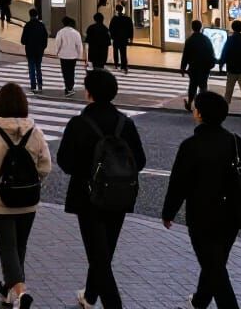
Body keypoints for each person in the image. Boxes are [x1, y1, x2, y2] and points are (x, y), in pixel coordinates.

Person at [56, 70, 146, 309]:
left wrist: (87, 169)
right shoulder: (125, 124)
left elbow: (65, 161)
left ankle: (112, 304)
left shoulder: (79, 124)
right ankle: (90, 296)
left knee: (98, 257)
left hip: (87, 196)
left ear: (89, 93)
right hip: (120, 194)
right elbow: (140, 160)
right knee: (104, 252)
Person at [162, 91, 241, 309]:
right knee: (215, 262)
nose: (194, 110)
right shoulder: (235, 142)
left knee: (214, 267)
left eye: (195, 108)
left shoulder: (191, 145)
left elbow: (178, 183)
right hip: (231, 214)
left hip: (201, 215)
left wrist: (169, 212)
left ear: (200, 114)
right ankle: (200, 301)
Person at [0, 83, 52, 309]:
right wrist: (32, 181)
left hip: (1, 200)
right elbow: (45, 166)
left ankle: (22, 293)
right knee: (19, 247)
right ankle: (9, 291)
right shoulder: (34, 131)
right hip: (28, 200)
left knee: (7, 248)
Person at [219, 20, 241, 116]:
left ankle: (225, 106)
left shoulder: (230, 39)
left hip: (232, 68)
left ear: (233, 28)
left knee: (229, 89)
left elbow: (225, 52)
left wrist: (221, 64)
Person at [181, 20, 216, 111]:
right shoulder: (206, 39)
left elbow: (185, 55)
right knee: (203, 86)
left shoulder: (190, 40)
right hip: (204, 67)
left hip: (193, 67)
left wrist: (183, 67)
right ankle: (203, 104)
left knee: (192, 85)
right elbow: (211, 52)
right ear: (201, 27)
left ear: (192, 28)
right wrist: (211, 64)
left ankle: (189, 103)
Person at [19, 9, 48, 94]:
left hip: (30, 51)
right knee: (38, 67)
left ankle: (33, 86)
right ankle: (40, 85)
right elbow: (45, 38)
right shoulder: (41, 25)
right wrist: (43, 47)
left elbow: (23, 40)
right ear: (37, 15)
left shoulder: (27, 25)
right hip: (39, 51)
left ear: (30, 15)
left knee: (31, 68)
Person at [54, 16, 84, 95]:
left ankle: (67, 86)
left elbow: (57, 43)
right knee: (71, 71)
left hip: (63, 55)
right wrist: (79, 55)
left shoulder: (60, 32)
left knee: (65, 72)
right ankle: (70, 86)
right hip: (73, 55)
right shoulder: (76, 33)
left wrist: (57, 52)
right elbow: (79, 45)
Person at [107, 5, 133, 74]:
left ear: (116, 10)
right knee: (123, 52)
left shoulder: (114, 19)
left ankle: (116, 64)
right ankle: (124, 66)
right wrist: (131, 38)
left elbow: (110, 28)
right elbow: (130, 29)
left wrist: (111, 37)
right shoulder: (127, 18)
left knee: (115, 51)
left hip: (116, 38)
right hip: (124, 38)